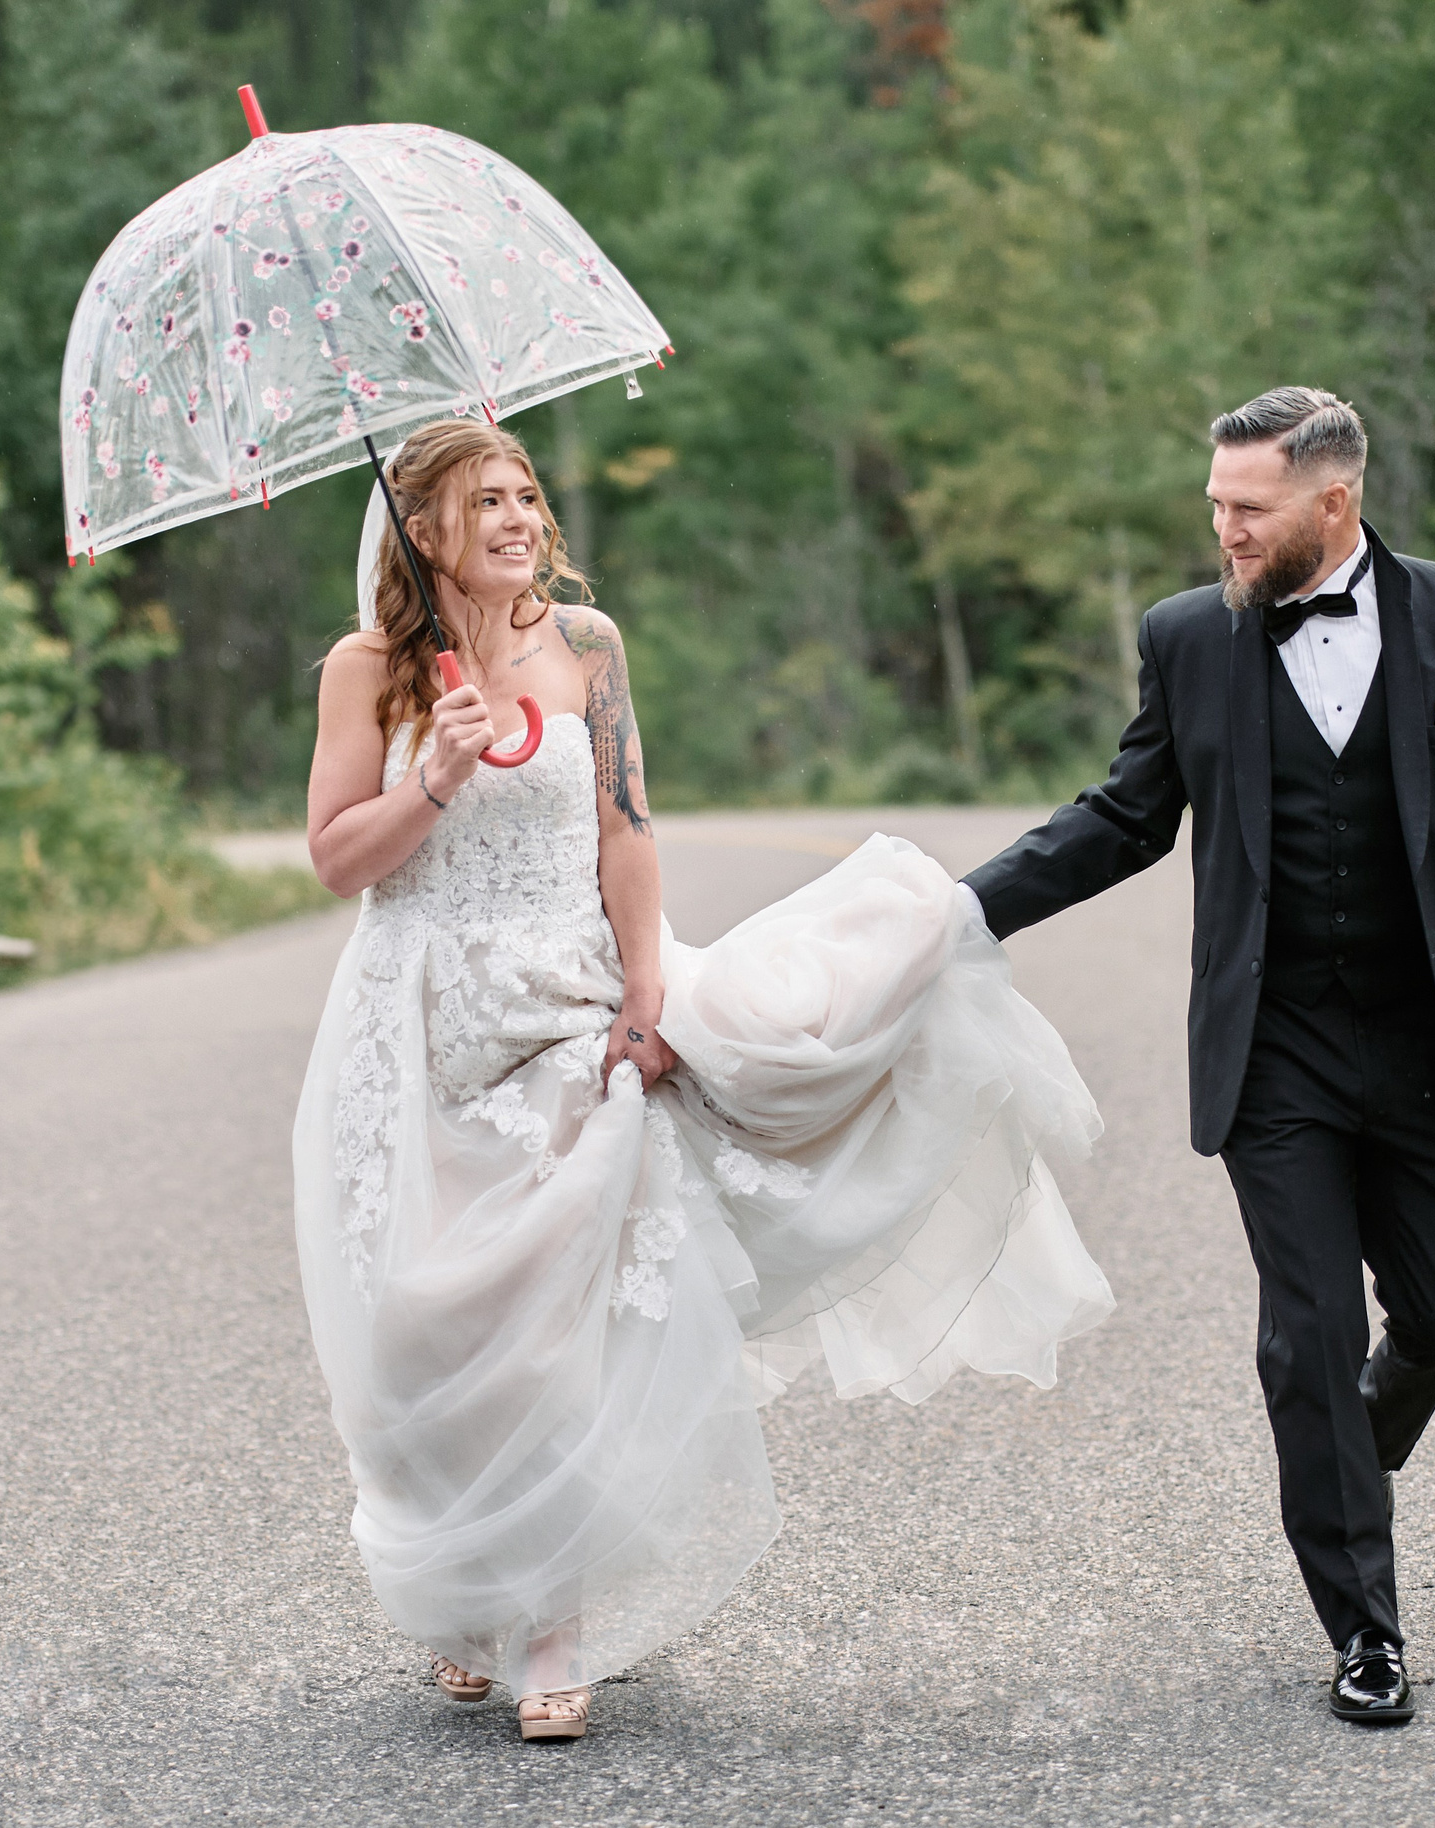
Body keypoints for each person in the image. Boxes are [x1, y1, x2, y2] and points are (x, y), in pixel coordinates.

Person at [292, 416, 1114, 1742]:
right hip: (421, 1023)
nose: (513, 515)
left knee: (555, 1316)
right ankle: (466, 1595)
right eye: (478, 500)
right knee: (428, 1329)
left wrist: (644, 993)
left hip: (569, 1006)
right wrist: (432, 777)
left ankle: (552, 1618)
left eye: (523, 492)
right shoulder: (369, 671)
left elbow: (625, 827)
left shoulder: (588, 649)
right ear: (421, 530)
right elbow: (340, 861)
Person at [960, 387, 1435, 1725]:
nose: (1221, 529)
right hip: (1276, 1053)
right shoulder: (1187, 640)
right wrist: (962, 910)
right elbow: (1122, 816)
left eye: (1246, 509)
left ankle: (1345, 1462)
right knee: (1309, 1337)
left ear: (1333, 503)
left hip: (1431, 1043)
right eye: (1214, 504)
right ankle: (1366, 1632)